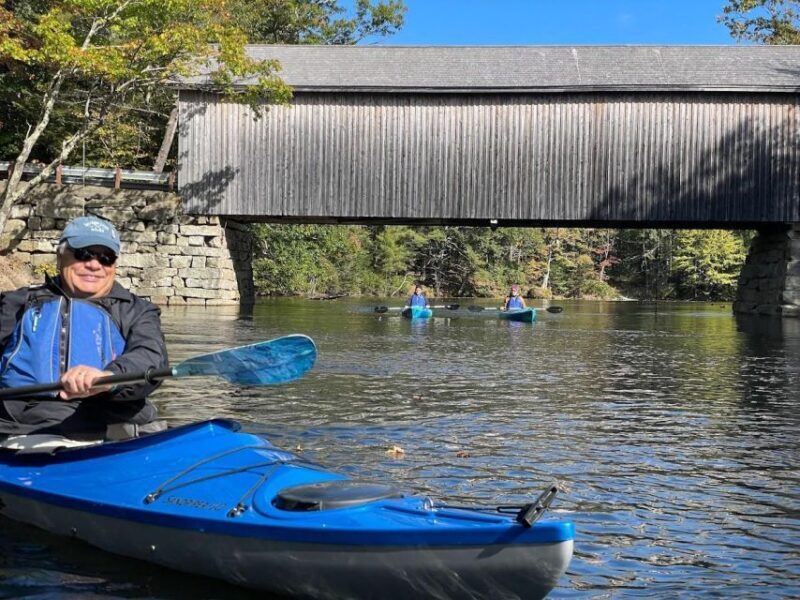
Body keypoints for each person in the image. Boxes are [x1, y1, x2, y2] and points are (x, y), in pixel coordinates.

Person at [0, 215, 168, 439]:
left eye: (106, 258)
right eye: (83, 254)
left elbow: (149, 356)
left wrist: (108, 377)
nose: (94, 265)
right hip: (14, 426)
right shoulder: (17, 303)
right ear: (60, 257)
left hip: (100, 424)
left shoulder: (138, 312)